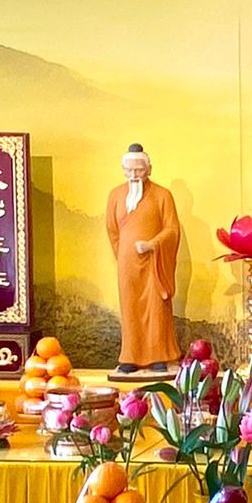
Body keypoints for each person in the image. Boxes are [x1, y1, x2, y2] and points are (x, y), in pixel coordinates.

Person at [104, 143, 181, 374]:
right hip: (127, 264)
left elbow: (172, 229)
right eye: (129, 170)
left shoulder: (162, 195)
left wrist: (152, 245)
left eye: (138, 169)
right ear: (123, 170)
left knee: (156, 308)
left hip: (153, 262)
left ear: (149, 169)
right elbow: (112, 230)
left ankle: (159, 356)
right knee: (130, 310)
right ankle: (130, 357)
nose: (134, 175)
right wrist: (123, 255)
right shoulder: (116, 195)